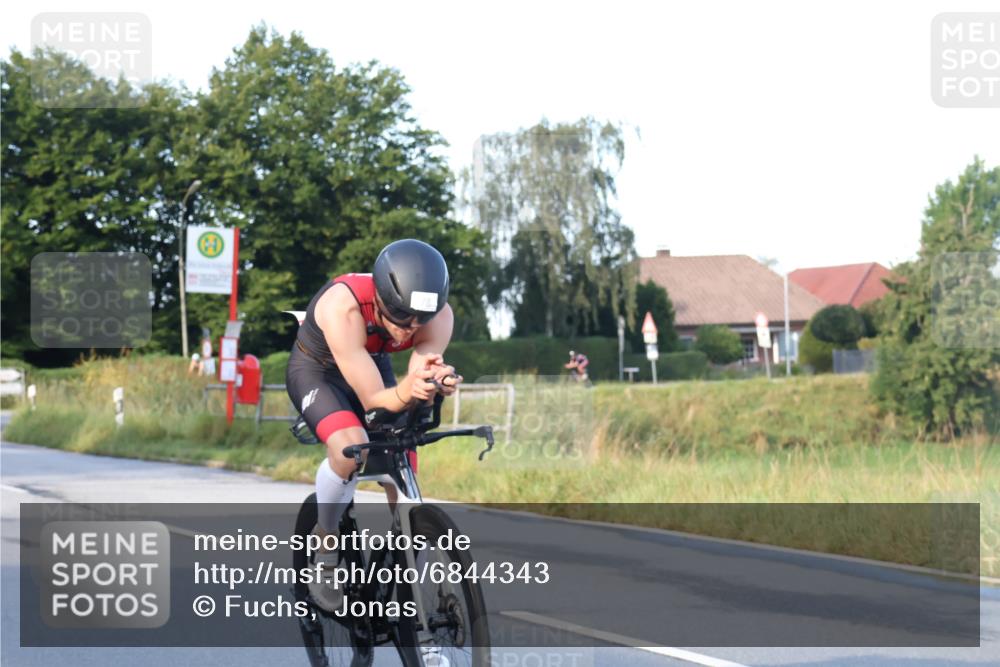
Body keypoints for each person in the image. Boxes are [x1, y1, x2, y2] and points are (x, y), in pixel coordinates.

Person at [285, 239, 462, 611]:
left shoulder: (438, 314)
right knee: (351, 448)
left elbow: (420, 371)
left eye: (420, 321)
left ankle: (408, 564)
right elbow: (374, 400)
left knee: (402, 455)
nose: (409, 329)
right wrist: (408, 390)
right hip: (318, 371)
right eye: (401, 319)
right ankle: (326, 543)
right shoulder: (343, 306)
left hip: (371, 362)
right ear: (380, 299)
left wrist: (434, 381)